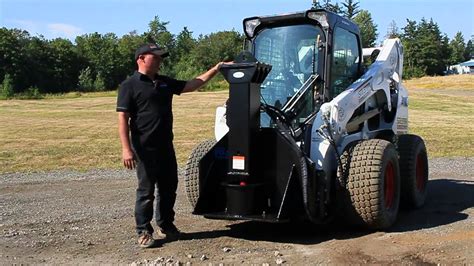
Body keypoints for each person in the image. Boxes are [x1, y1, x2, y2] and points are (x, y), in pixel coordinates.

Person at [117, 43, 227, 248]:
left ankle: (166, 225)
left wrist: (217, 68)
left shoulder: (164, 82)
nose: (160, 61)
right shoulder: (129, 85)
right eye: (155, 57)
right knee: (146, 191)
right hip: (144, 147)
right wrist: (126, 148)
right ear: (141, 58)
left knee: (169, 188)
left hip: (166, 145)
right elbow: (123, 117)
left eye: (161, 58)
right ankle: (143, 231)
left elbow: (192, 84)